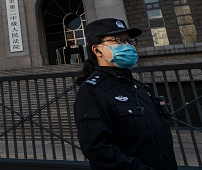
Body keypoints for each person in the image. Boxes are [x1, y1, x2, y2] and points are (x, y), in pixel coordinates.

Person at [74, 18, 177, 170]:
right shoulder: (92, 91)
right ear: (97, 50)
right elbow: (98, 149)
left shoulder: (140, 88)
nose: (127, 46)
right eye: (119, 40)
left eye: (129, 41)